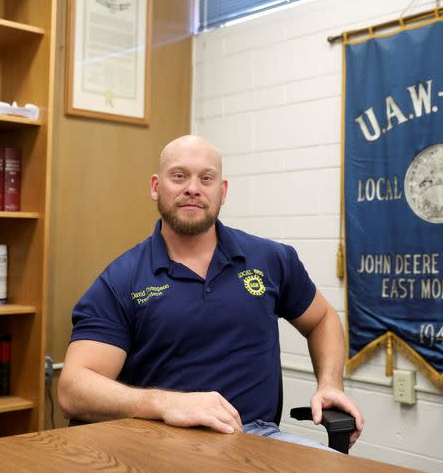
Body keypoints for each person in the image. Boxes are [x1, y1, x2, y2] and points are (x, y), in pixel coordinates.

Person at [58, 135, 364, 450]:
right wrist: (166, 405)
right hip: (159, 442)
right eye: (179, 176)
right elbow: (73, 389)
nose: (193, 187)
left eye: (206, 178)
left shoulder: (271, 259)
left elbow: (322, 318)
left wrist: (330, 384)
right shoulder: (122, 279)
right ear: (155, 186)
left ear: (223, 191)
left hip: (256, 439)